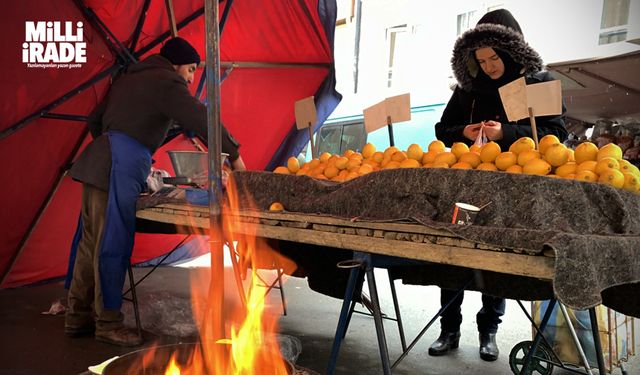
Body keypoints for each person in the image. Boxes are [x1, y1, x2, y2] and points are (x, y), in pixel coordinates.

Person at [64, 37, 246, 347]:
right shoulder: (166, 81)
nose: (190, 78)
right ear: (177, 65)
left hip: (97, 161)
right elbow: (203, 119)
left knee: (91, 243)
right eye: (190, 70)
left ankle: (77, 316)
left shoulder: (128, 77)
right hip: (116, 166)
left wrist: (115, 144)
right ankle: (108, 323)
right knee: (113, 243)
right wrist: (236, 157)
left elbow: (96, 120)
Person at [431, 9, 567, 361]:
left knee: (496, 258)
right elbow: (441, 130)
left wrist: (505, 133)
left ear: (511, 50)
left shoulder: (537, 83)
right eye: (481, 59)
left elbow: (557, 134)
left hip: (511, 189)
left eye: (494, 57)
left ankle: (489, 331)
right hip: (464, 187)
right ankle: (449, 328)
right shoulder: (467, 89)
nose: (489, 65)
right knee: (454, 254)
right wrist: (465, 130)